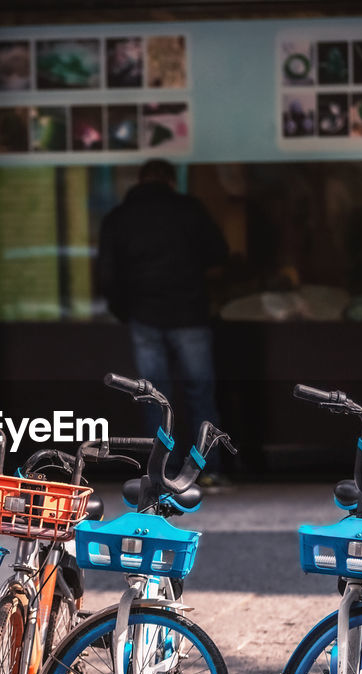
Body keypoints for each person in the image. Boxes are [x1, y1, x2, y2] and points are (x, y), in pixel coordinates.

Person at [96, 158, 230, 483]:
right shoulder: (189, 209)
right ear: (171, 181)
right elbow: (219, 253)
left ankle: (162, 472)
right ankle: (208, 470)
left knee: (154, 395)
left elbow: (106, 274)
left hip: (144, 315)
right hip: (190, 314)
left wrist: (124, 310)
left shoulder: (120, 217)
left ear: (140, 181)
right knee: (200, 392)